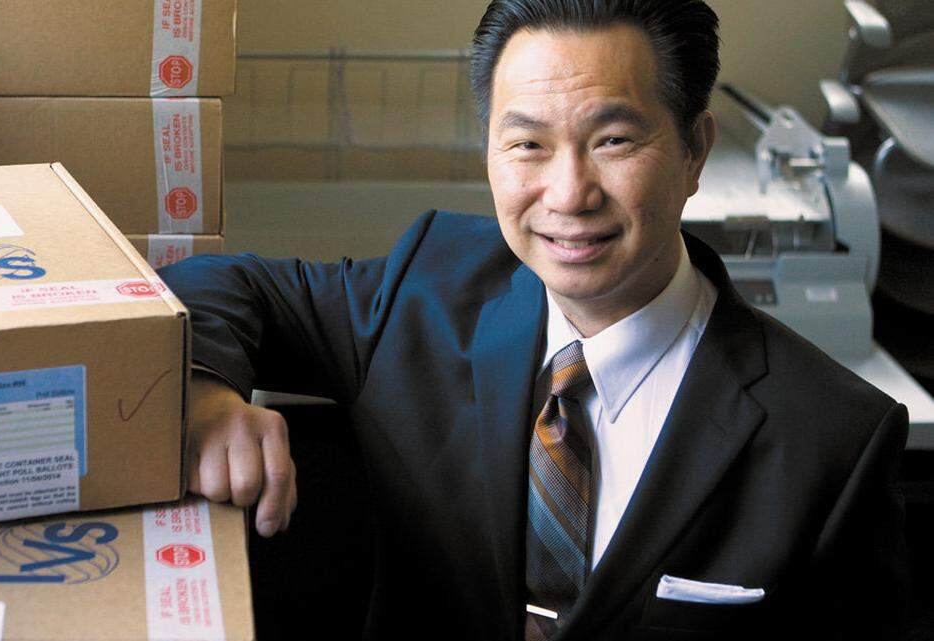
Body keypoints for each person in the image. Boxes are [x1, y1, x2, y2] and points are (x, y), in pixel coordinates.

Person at [161, 1, 910, 639]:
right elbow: (212, 285)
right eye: (528, 145)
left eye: (613, 140)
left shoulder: (835, 440)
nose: (568, 192)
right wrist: (202, 389)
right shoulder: (428, 286)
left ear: (694, 150)